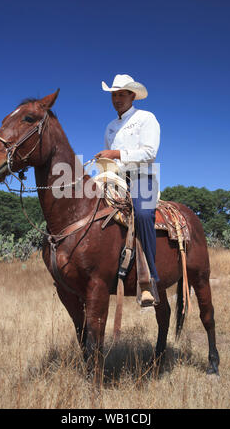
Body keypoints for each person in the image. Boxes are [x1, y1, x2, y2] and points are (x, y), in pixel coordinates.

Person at [95, 74, 160, 306]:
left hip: (142, 178)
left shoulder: (146, 118)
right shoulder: (110, 127)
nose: (117, 98)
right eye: (114, 94)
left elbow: (149, 153)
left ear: (133, 95)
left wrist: (116, 154)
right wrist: (103, 163)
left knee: (142, 214)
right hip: (115, 180)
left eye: (122, 94)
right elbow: (109, 159)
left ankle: (150, 279)